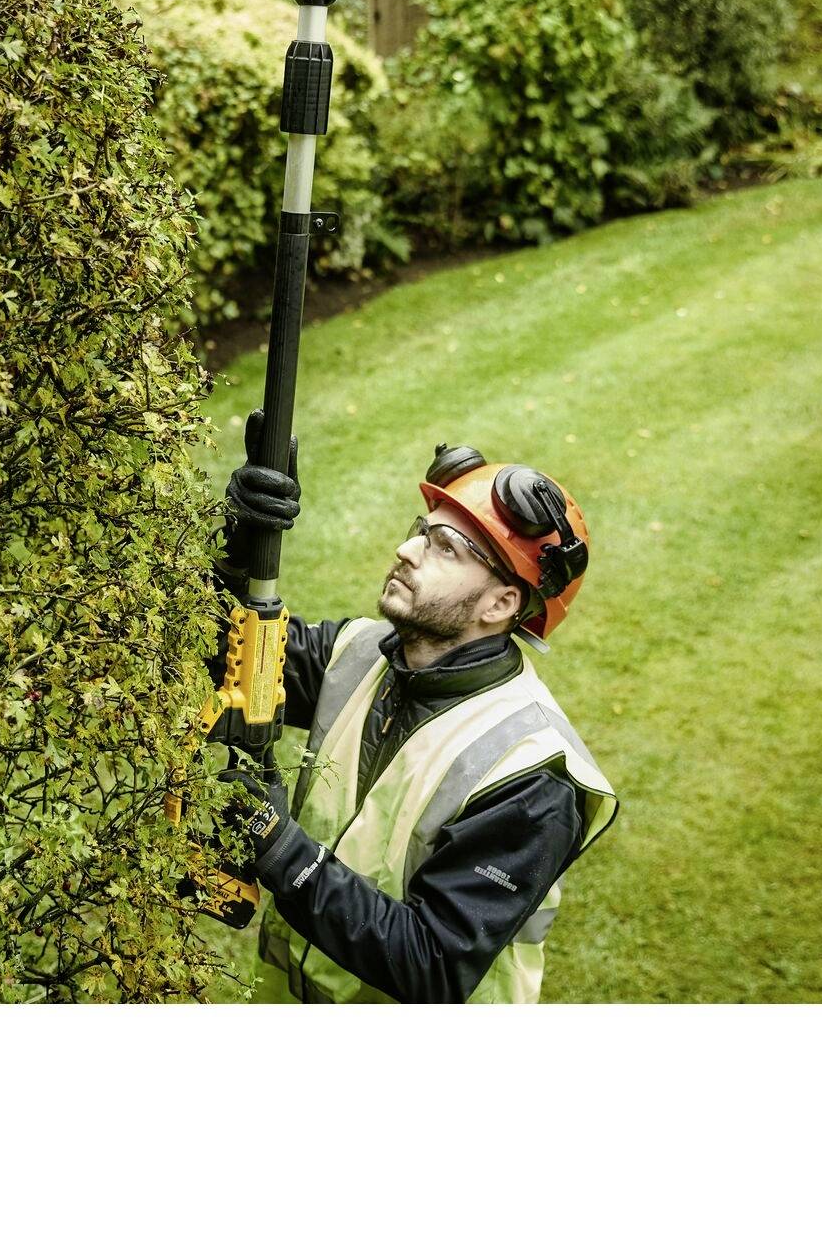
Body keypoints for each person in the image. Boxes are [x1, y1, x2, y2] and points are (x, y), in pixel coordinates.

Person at [215, 425, 619, 1004]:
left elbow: (432, 962)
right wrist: (238, 544)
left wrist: (280, 848)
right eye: (422, 533)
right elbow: (216, 650)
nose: (407, 551)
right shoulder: (356, 655)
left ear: (501, 603)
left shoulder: (531, 775)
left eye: (445, 548)